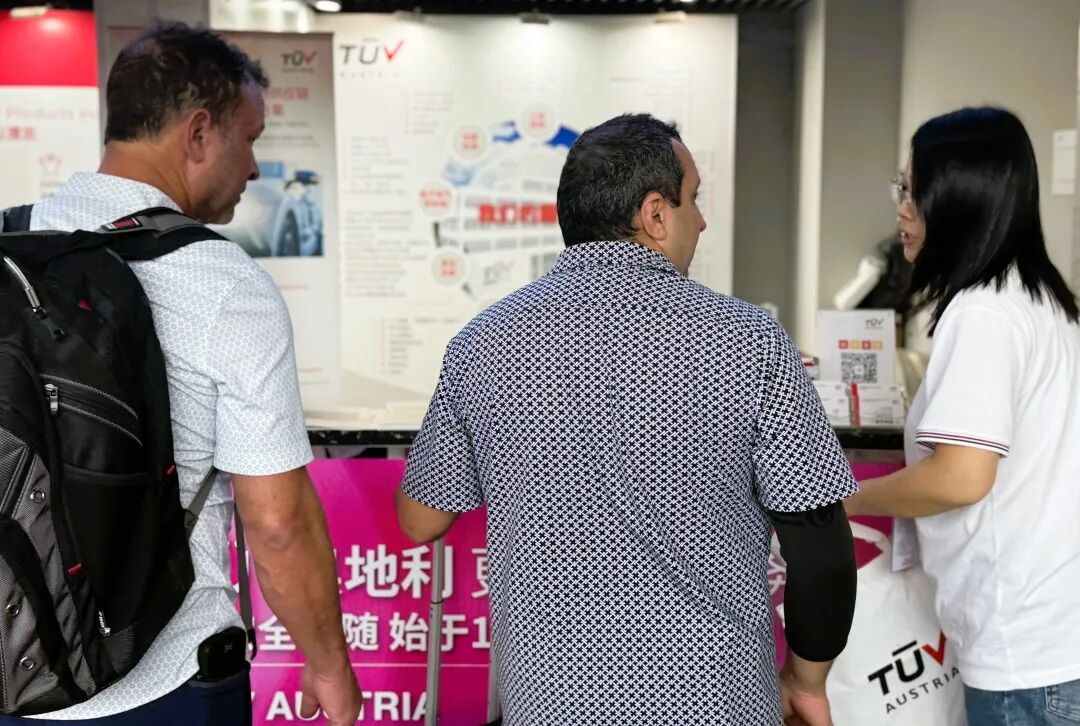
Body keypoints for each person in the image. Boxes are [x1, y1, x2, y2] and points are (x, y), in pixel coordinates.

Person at [396, 113, 858, 725]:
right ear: (655, 214)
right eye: (693, 199)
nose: (702, 220)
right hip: (716, 702)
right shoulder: (750, 340)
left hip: (549, 705)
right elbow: (820, 547)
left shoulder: (482, 344)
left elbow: (421, 519)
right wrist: (805, 680)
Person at [5, 22, 362, 726]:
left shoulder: (10, 246)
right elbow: (278, 523)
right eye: (250, 139)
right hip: (163, 683)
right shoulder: (224, 282)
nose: (254, 168)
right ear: (198, 134)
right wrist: (330, 668)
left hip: (14, 676)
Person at [845, 107, 1080, 725]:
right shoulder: (1041, 299)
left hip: (1024, 655)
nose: (902, 210)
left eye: (913, 192)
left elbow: (960, 477)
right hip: (1053, 636)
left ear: (961, 199)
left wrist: (843, 500)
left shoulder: (983, 314)